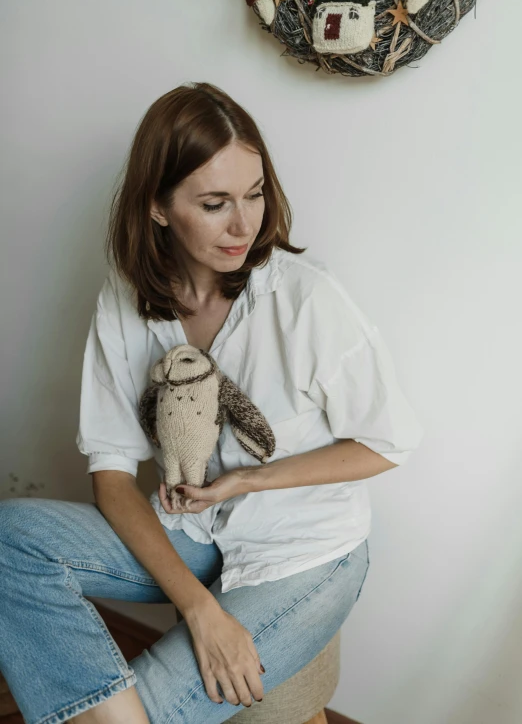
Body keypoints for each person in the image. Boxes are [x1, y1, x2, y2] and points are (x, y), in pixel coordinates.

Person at [0, 82, 424, 724]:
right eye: (215, 202)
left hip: (305, 548)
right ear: (159, 208)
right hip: (195, 529)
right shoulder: (125, 296)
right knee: (9, 539)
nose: (244, 224)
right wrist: (202, 612)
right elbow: (112, 478)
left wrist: (251, 478)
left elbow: (388, 442)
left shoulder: (305, 300)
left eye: (254, 195)